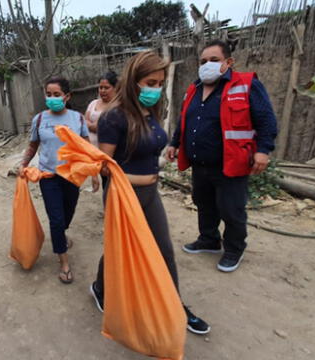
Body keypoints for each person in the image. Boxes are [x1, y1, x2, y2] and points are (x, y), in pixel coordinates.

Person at [90, 51, 210, 335]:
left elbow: (151, 147)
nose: (156, 89)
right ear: (134, 82)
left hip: (150, 194)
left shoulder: (151, 114)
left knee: (164, 249)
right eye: (151, 82)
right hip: (123, 197)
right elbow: (104, 166)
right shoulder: (113, 118)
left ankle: (174, 305)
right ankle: (99, 287)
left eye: (160, 83)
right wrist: (140, 176)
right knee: (118, 250)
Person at [165, 39, 278, 273]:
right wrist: (175, 143)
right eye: (203, 61)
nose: (207, 64)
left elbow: (266, 119)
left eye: (214, 60)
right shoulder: (194, 89)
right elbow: (184, 119)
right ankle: (209, 239)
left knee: (231, 209)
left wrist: (263, 150)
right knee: (203, 203)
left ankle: (234, 249)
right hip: (200, 163)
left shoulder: (246, 84)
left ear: (228, 62)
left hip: (231, 163)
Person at [18, 76, 100, 284]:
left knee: (67, 214)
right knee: (56, 219)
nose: (52, 98)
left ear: (67, 96)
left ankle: (60, 235)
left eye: (56, 94)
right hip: (49, 176)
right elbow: (33, 146)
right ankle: (63, 262)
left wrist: (94, 172)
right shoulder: (39, 119)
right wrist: (24, 164)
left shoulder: (77, 119)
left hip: (72, 175)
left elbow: (86, 147)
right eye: (48, 94)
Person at [85, 71, 118, 147]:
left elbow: (101, 128)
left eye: (106, 88)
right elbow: (84, 123)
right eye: (100, 87)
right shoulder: (93, 103)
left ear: (115, 88)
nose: (103, 91)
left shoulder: (117, 106)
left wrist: (90, 125)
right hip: (90, 148)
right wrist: (92, 125)